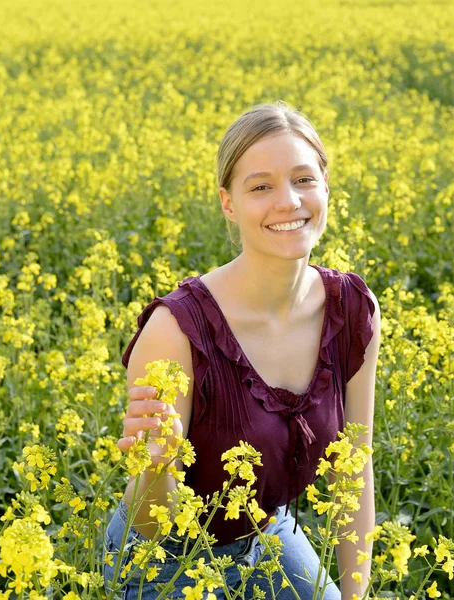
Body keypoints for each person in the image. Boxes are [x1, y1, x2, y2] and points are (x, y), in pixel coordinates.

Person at [103, 100, 381, 600]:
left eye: (303, 179)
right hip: (166, 564)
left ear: (326, 189)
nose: (289, 202)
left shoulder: (353, 310)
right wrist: (155, 465)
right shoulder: (176, 330)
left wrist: (355, 594)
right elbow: (153, 525)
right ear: (228, 203)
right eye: (260, 187)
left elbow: (354, 466)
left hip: (266, 534)